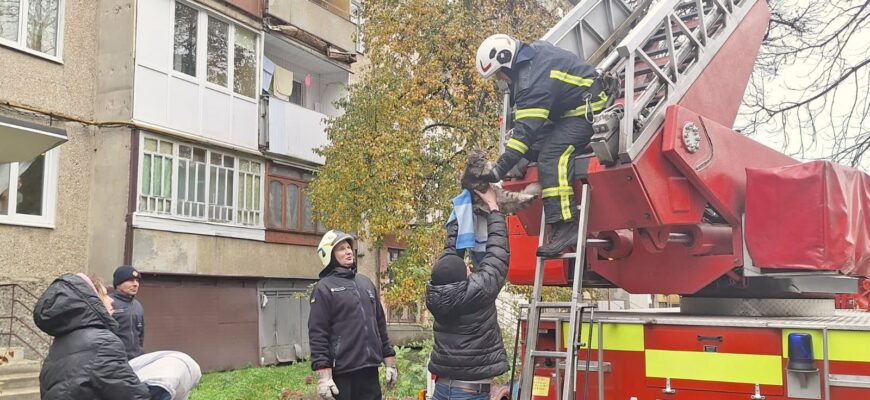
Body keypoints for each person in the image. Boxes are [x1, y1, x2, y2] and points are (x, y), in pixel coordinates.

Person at [475, 33, 608, 257]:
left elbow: (524, 133)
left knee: (552, 156)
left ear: (507, 62)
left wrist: (498, 169)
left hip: (587, 111)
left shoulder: (531, 81)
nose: (501, 80)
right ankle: (561, 222)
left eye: (498, 73)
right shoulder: (532, 57)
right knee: (530, 148)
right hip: (568, 111)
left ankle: (566, 224)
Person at [426, 186, 510, 400]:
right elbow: (497, 255)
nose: (468, 267)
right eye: (465, 268)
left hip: (442, 390)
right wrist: (493, 207)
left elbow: (450, 254)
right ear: (462, 276)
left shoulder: (435, 293)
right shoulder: (478, 291)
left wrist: (460, 216)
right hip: (469, 393)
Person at [308, 230, 398, 400]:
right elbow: (317, 333)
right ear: (330, 255)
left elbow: (380, 325)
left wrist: (390, 364)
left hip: (370, 370)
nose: (348, 251)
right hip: (342, 373)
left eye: (349, 247)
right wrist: (324, 377)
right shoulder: (324, 288)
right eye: (341, 249)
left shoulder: (365, 283)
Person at [34, 273, 152, 400]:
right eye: (105, 295)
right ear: (92, 301)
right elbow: (134, 396)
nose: (111, 300)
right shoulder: (103, 343)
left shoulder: (62, 341)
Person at [111, 265, 146, 359]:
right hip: (116, 361)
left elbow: (141, 336)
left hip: (137, 360)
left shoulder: (138, 306)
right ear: (118, 283)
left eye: (137, 281)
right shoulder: (109, 303)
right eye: (131, 280)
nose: (136, 284)